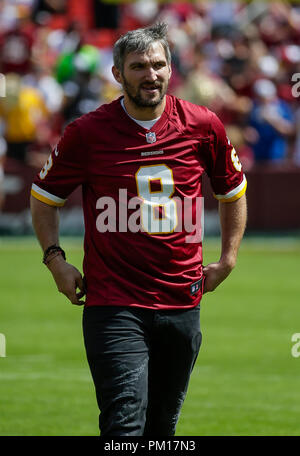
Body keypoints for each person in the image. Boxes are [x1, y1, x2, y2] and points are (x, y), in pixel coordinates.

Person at [30, 23, 247, 436]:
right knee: (123, 425)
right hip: (114, 303)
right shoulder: (87, 133)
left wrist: (229, 258)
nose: (151, 74)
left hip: (183, 300)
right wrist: (55, 260)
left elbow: (233, 191)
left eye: (159, 64)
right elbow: (44, 197)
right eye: (139, 66)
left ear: (170, 69)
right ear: (117, 73)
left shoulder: (203, 125)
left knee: (162, 429)